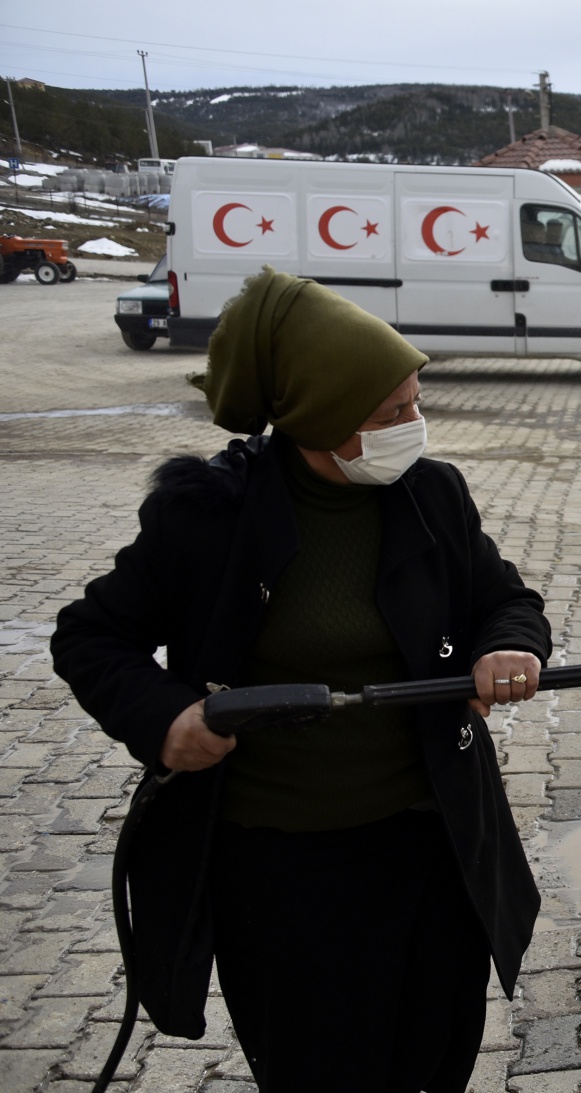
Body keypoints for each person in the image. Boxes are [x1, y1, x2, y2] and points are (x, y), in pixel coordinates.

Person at [52, 268, 550, 1092]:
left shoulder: (431, 494)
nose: (415, 426)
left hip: (432, 846)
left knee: (436, 1054)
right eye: (393, 413)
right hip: (282, 873)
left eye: (416, 402)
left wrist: (511, 647)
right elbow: (91, 637)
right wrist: (167, 718)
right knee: (321, 1069)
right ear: (320, 417)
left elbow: (506, 599)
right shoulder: (205, 519)